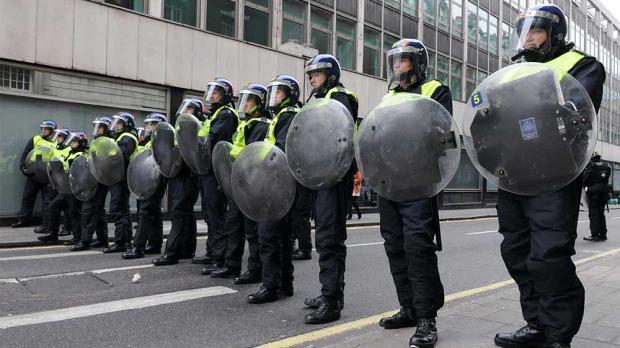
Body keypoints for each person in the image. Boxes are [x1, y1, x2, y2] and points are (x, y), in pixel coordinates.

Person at [493, 5, 606, 348]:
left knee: (548, 256)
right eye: (524, 31)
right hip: (514, 175)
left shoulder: (582, 65)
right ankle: (536, 325)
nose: (527, 38)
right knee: (517, 252)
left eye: (536, 31)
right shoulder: (512, 72)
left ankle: (558, 336)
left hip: (554, 174)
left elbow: (574, 113)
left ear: (555, 34)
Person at [371, 39, 452, 348]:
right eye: (394, 60)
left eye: (403, 60)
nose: (397, 65)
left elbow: (440, 131)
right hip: (389, 181)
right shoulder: (388, 96)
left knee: (418, 246)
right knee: (394, 245)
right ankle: (408, 307)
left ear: (418, 63)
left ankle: (426, 317)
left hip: (419, 180)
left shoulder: (435, 90)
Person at [302, 54, 359, 325]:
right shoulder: (322, 99)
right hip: (321, 176)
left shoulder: (340, 97)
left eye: (317, 74)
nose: (312, 78)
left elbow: (339, 136)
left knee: (329, 239)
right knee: (324, 238)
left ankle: (332, 301)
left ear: (331, 75)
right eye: (310, 74)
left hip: (334, 178)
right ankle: (328, 292)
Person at [247, 74, 311, 304]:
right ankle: (285, 284)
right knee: (283, 237)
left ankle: (270, 286)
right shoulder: (282, 115)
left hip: (277, 183)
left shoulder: (288, 115)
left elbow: (280, 149)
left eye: (279, 92)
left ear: (290, 95)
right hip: (282, 183)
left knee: (269, 236)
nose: (274, 97)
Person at [208, 83, 271, 284]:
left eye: (249, 100)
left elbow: (253, 155)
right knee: (233, 225)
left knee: (252, 230)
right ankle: (231, 264)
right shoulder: (245, 124)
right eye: (242, 100)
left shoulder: (262, 124)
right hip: (238, 181)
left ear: (259, 103)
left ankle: (254, 270)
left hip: (252, 184)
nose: (244, 105)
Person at [192, 78, 240, 274]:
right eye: (211, 92)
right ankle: (212, 252)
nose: (212, 96)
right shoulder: (214, 115)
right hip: (207, 169)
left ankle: (219, 257)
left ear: (226, 95)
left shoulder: (227, 115)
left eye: (216, 92)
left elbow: (213, 140)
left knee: (217, 215)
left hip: (218, 170)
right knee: (209, 214)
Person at [153, 101, 203, 266]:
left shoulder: (196, 127)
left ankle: (171, 253)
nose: (185, 111)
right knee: (186, 212)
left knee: (179, 211)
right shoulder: (180, 129)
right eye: (184, 108)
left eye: (189, 109)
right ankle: (188, 249)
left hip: (189, 174)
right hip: (179, 174)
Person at [122, 113, 168, 259]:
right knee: (154, 212)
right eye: (148, 124)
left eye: (152, 124)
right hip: (146, 179)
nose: (149, 127)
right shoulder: (149, 141)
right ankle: (154, 244)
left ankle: (138, 247)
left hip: (156, 179)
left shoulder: (162, 139)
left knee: (145, 211)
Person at [38, 132, 88, 244]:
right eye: (72, 141)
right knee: (52, 208)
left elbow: (81, 174)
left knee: (74, 214)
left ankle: (77, 238)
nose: (72, 143)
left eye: (74, 141)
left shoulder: (81, 156)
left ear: (81, 143)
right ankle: (52, 234)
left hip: (74, 190)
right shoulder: (71, 153)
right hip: (66, 188)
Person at [71, 117, 113, 251]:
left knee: (88, 210)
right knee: (99, 210)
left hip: (101, 179)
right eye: (96, 127)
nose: (97, 129)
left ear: (105, 129)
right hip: (97, 178)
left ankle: (84, 241)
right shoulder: (99, 141)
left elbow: (107, 160)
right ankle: (102, 240)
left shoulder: (107, 142)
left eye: (100, 127)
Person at [103, 113, 138, 253]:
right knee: (120, 209)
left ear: (126, 124)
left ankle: (122, 242)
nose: (116, 125)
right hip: (118, 177)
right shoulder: (119, 138)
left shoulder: (127, 138)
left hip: (121, 178)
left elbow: (120, 158)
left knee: (121, 210)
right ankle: (123, 241)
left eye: (119, 123)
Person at [13, 119, 58, 228]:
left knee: (47, 199)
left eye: (46, 129)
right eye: (42, 128)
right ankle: (23, 219)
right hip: (33, 172)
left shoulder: (56, 143)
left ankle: (46, 223)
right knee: (28, 197)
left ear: (52, 131)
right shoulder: (35, 139)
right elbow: (26, 153)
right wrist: (23, 167)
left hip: (47, 175)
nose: (43, 131)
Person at [583, 153, 611, 242]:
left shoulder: (591, 166)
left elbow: (585, 178)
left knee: (594, 215)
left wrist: (586, 187)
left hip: (593, 193)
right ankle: (603, 235)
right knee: (601, 214)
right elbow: (605, 180)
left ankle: (595, 235)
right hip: (603, 194)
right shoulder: (606, 166)